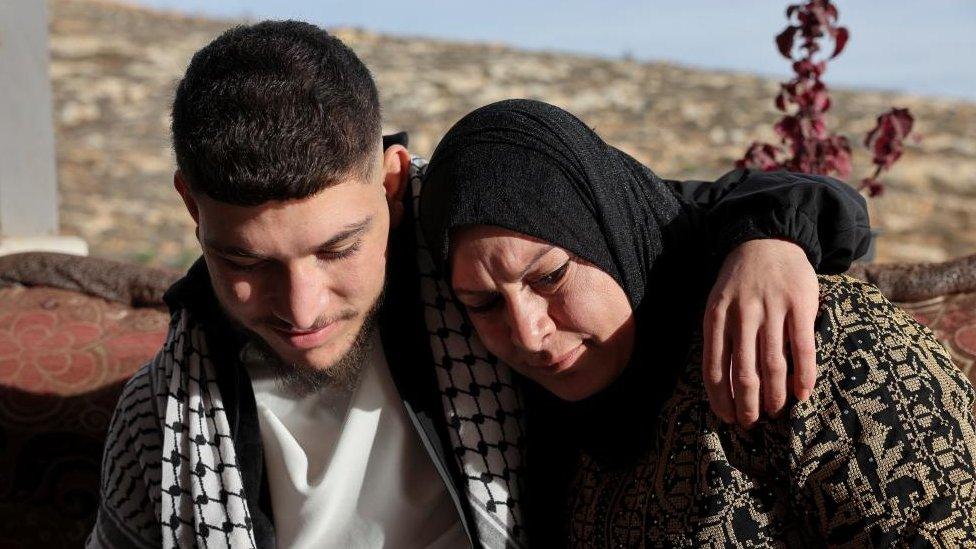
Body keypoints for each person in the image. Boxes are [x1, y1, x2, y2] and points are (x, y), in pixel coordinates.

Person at [87, 22, 872, 549]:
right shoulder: (164, 416)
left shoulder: (485, 267)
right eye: (248, 264)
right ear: (191, 206)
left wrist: (771, 238)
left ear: (393, 183)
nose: (302, 307)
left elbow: (652, 218)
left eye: (338, 249)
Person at [419, 98, 976, 547]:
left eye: (551, 277)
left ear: (610, 234)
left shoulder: (812, 342)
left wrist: (771, 234)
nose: (529, 334)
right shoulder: (546, 427)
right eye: (484, 304)